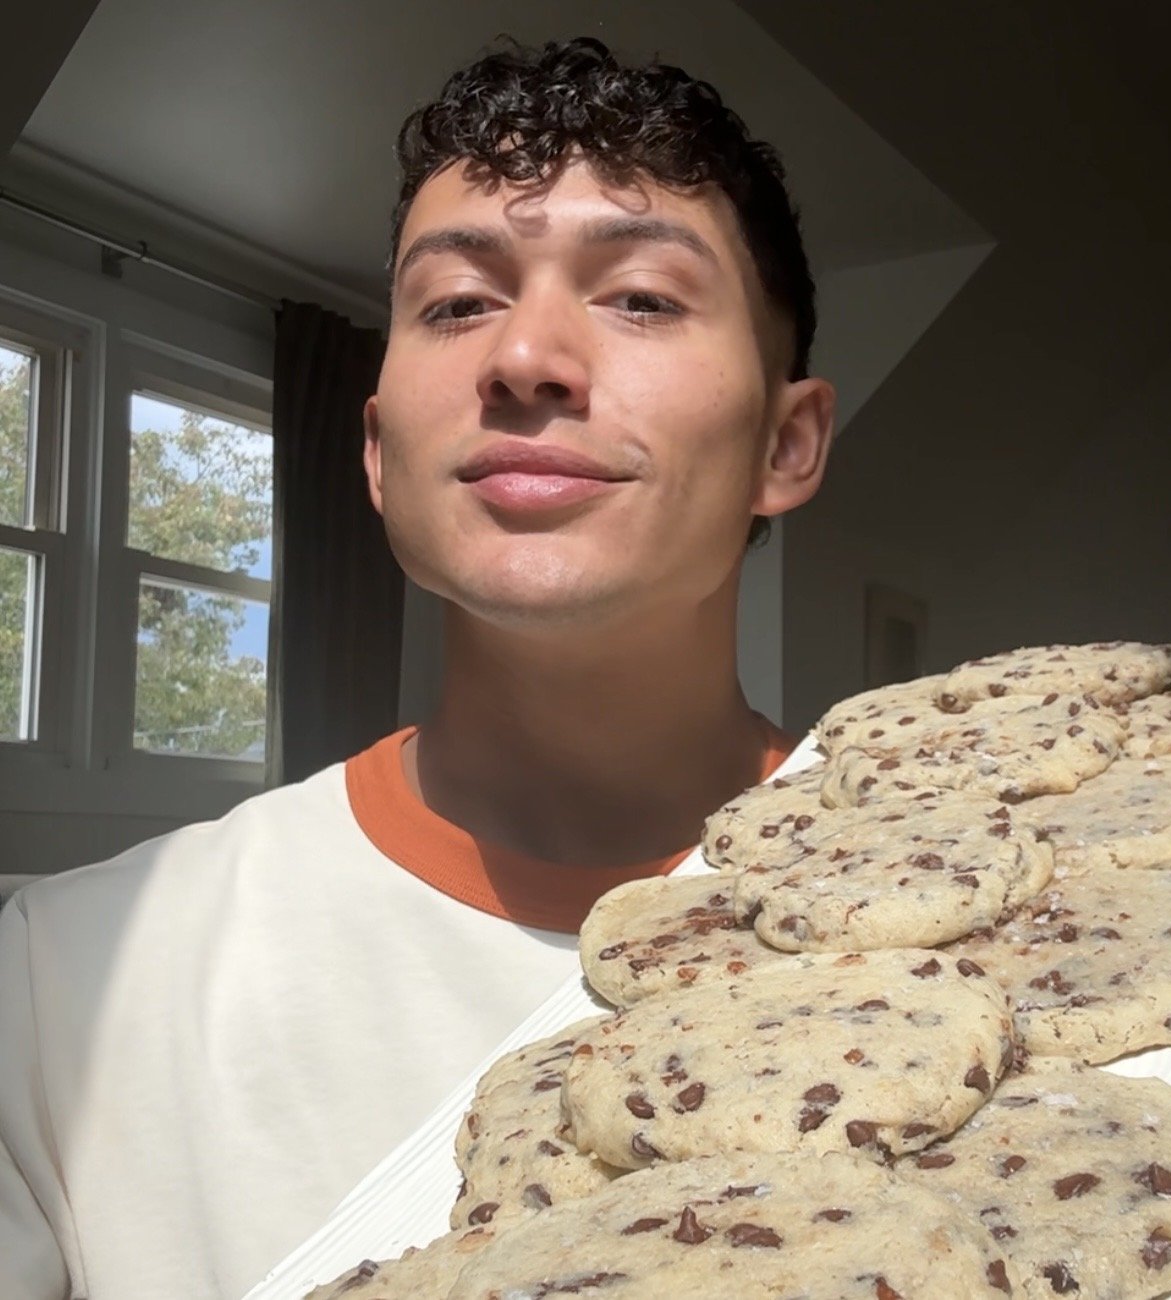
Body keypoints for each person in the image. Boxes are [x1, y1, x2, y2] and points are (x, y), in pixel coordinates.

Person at [0, 36, 834, 1300]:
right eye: (457, 304)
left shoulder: (1001, 938)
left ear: (786, 442)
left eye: (644, 297)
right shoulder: (58, 989)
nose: (524, 358)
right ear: (381, 454)